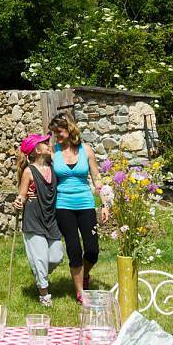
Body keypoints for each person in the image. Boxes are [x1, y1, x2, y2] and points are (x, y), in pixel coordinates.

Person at [48, 111, 110, 301]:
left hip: (85, 204)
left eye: (59, 131)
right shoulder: (53, 152)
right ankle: (80, 292)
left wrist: (105, 204)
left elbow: (97, 178)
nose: (56, 136)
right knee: (74, 249)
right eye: (54, 132)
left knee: (92, 250)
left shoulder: (87, 150)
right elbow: (42, 173)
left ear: (69, 128)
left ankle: (84, 275)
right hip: (63, 205)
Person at [13, 133, 63, 306]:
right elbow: (22, 194)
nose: (49, 144)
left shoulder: (53, 165)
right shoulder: (29, 171)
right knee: (41, 259)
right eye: (44, 143)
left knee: (56, 257)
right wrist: (20, 201)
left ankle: (38, 273)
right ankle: (44, 295)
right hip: (33, 218)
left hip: (51, 218)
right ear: (36, 150)